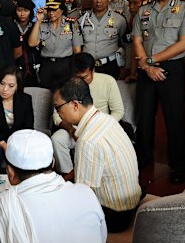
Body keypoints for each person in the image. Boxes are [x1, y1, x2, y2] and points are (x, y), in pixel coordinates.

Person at [132, 0, 185, 184]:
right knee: (144, 116)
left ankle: (178, 164)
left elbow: (184, 44)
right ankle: (143, 157)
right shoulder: (144, 9)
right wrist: (147, 66)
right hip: (146, 69)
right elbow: (137, 39)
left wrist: (152, 61)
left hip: (171, 69)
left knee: (174, 118)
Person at [52, 77, 141, 233]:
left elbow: (83, 196)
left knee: (52, 213)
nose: (58, 114)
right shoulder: (106, 120)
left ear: (74, 105)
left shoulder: (88, 141)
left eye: (58, 108)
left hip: (115, 215)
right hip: (131, 201)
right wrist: (62, 181)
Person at [51, 53, 124, 180]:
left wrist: (99, 127)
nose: (81, 82)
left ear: (93, 71)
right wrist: (71, 130)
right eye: (77, 78)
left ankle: (76, 178)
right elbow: (56, 116)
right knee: (57, 139)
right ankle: (67, 173)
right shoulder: (67, 86)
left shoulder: (108, 81)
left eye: (85, 77)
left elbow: (118, 111)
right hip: (74, 128)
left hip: (101, 127)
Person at [0, 65, 34, 174]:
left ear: (17, 86)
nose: (5, 89)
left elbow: (28, 126)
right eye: (2, 84)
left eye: (11, 86)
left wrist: (15, 145)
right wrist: (4, 145)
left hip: (19, 138)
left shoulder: (25, 100)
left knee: (23, 156)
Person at [29, 0, 83, 89]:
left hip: (65, 65)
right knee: (45, 95)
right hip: (46, 66)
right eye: (49, 10)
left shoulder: (71, 24)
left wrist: (76, 71)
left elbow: (77, 51)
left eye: (54, 9)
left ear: (62, 9)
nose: (51, 13)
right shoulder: (43, 24)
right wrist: (38, 21)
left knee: (65, 94)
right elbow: (32, 43)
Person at [80, 0, 128, 79]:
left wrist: (125, 68)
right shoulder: (82, 19)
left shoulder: (119, 20)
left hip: (110, 66)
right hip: (87, 67)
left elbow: (126, 45)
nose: (98, 0)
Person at [14, 0, 40, 87]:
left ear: (30, 12)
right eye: (19, 10)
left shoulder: (35, 26)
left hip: (34, 66)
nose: (22, 14)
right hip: (17, 66)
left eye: (26, 10)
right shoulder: (11, 27)